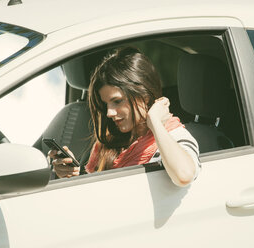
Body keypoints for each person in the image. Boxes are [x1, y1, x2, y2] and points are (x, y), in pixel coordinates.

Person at [49, 46, 200, 187]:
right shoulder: (109, 142)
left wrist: (155, 123)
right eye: (106, 104)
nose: (109, 113)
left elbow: (184, 176)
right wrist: (71, 175)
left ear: (144, 96)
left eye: (117, 101)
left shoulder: (173, 135)